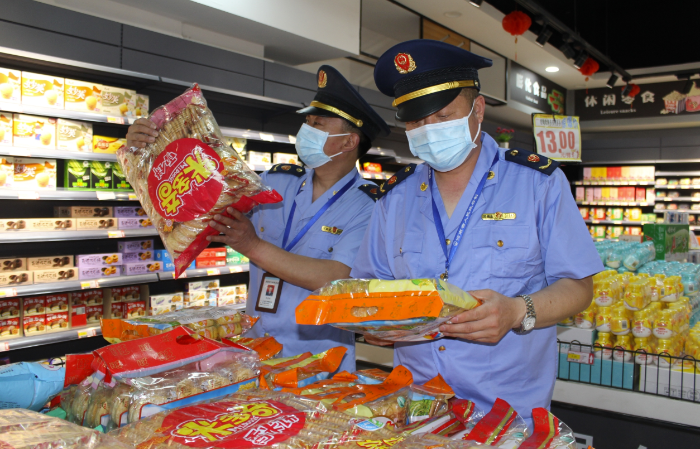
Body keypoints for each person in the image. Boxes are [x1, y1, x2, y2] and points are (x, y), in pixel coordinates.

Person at [351, 40, 604, 425]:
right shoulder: (394, 197)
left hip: (508, 413)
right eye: (416, 121)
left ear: (478, 110)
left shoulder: (538, 184)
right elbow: (370, 286)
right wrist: (375, 323)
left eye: (442, 116)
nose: (428, 130)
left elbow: (578, 287)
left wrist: (519, 310)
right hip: (417, 407)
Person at [126, 65, 390, 373]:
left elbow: (335, 278)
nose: (307, 129)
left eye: (318, 123)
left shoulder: (370, 204)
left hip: (318, 363)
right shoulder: (277, 181)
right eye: (307, 121)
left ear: (349, 142)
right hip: (253, 352)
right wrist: (150, 151)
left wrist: (252, 246)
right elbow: (203, 208)